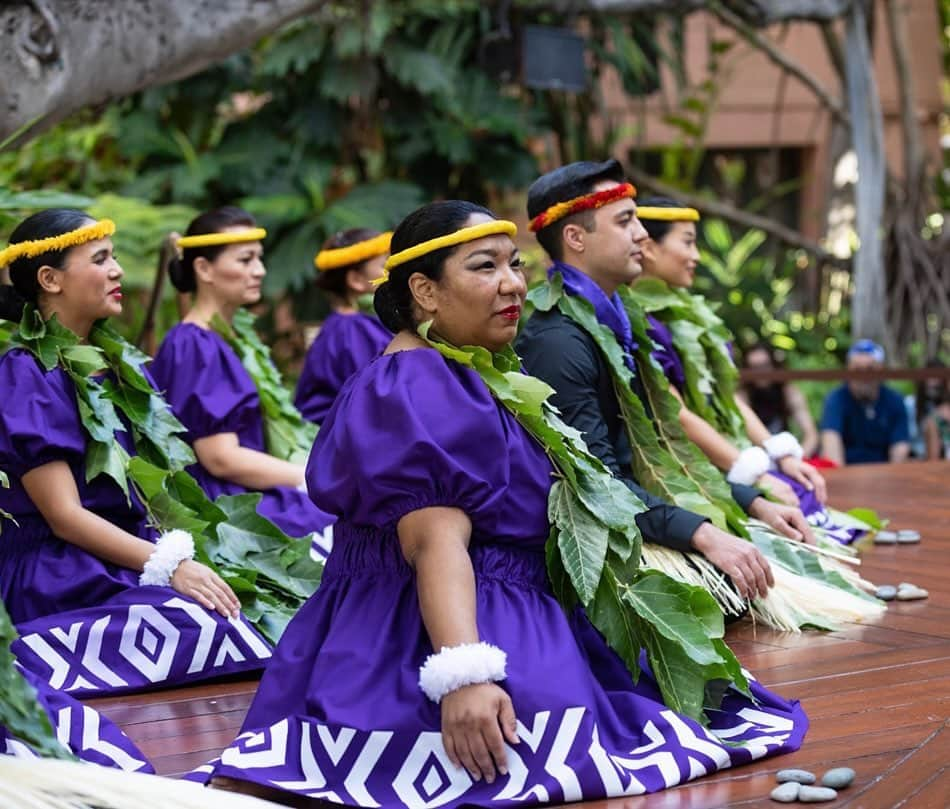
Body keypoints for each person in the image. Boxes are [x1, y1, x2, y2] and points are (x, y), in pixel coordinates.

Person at [203, 200, 806, 807]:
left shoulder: (462, 370)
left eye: (515, 265)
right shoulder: (416, 382)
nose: (513, 282)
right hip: (424, 627)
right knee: (558, 741)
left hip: (491, 599)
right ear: (425, 290)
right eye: (484, 266)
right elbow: (432, 540)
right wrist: (464, 674)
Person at [0, 209, 271, 698]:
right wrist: (172, 566)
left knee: (247, 616)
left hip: (122, 558)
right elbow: (64, 517)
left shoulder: (122, 367)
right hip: (58, 571)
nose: (118, 270)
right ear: (49, 279)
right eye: (100, 259)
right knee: (206, 628)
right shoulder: (27, 374)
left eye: (115, 257)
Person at [517, 161, 815, 600]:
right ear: (575, 237)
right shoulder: (559, 343)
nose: (641, 233)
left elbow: (658, 451)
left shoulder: (618, 322)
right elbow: (598, 482)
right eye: (626, 221)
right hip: (600, 548)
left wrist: (747, 498)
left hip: (644, 509)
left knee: (792, 547)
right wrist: (704, 534)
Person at [151, 207, 333, 552]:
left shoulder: (229, 337)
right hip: (227, 506)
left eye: (259, 259)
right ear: (204, 269)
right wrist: (308, 476)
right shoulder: (193, 343)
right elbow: (220, 457)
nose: (259, 271)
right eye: (246, 260)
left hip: (248, 489)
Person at [632, 197, 827, 505]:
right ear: (649, 247)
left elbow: (726, 397)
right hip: (684, 469)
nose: (696, 256)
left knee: (802, 486)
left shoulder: (690, 312)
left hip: (727, 458)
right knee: (795, 499)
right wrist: (754, 474)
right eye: (687, 243)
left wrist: (779, 452)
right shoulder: (637, 319)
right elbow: (676, 414)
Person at [294, 228, 392, 424]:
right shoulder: (353, 331)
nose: (395, 272)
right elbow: (377, 397)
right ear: (355, 280)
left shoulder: (357, 324)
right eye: (385, 265)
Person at [819, 340, 911, 465]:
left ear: (880, 370)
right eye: (857, 369)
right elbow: (831, 443)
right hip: (847, 473)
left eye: (869, 369)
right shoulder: (836, 399)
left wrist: (892, 478)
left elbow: (900, 447)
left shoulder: (894, 400)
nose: (863, 376)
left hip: (884, 474)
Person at [738, 343, 819, 458]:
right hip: (754, 460)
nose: (760, 373)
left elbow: (811, 435)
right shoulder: (742, 398)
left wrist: (797, 459)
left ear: (774, 366)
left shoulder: (789, 393)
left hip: (786, 458)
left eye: (764, 366)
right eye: (754, 367)